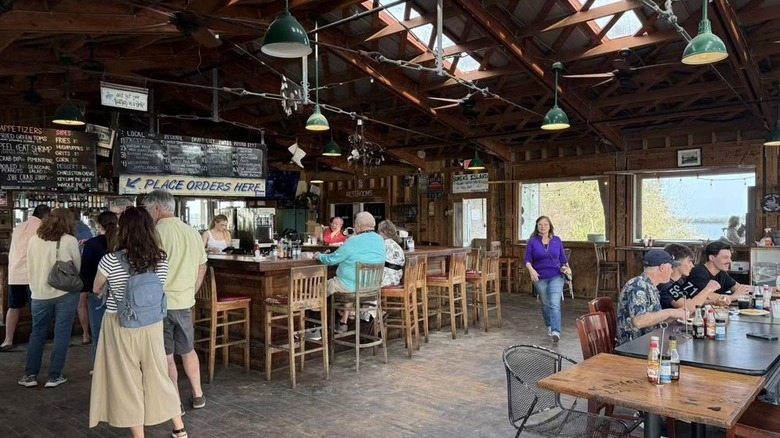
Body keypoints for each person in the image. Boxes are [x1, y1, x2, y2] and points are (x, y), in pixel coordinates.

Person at [89, 207, 187, 438]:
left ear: (123, 230)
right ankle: (179, 428)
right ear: (150, 230)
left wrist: (108, 288)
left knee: (127, 380)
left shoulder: (110, 260)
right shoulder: (161, 259)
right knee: (158, 375)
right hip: (152, 324)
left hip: (119, 324)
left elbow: (96, 288)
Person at [143, 190, 207, 412]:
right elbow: (202, 267)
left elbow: (147, 270)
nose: (148, 214)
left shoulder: (153, 234)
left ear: (157, 209)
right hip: (185, 302)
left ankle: (175, 403)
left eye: (148, 210)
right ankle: (198, 395)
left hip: (161, 304)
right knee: (188, 350)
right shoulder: (192, 232)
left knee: (167, 355)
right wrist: (191, 291)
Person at [18, 208, 81, 388]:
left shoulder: (33, 240)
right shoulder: (69, 240)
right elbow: (77, 267)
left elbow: (29, 265)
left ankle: (30, 375)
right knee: (62, 334)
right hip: (65, 294)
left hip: (39, 293)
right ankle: (54, 376)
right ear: (69, 222)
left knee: (37, 333)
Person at [317, 212, 385, 332]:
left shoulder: (353, 240)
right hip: (372, 288)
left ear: (358, 226)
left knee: (316, 290)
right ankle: (343, 321)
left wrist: (319, 256)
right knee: (347, 289)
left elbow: (331, 260)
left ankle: (315, 330)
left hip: (350, 286)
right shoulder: (380, 240)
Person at [2, 204, 50, 351]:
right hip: (33, 274)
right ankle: (38, 341)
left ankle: (7, 340)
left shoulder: (19, 227)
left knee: (13, 306)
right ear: (46, 216)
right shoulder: (42, 228)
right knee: (37, 309)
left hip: (15, 273)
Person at [616, 249, 688, 346]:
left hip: (648, 342)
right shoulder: (637, 286)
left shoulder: (650, 286)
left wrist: (674, 316)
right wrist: (670, 312)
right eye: (671, 267)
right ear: (662, 267)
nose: (672, 271)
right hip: (634, 346)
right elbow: (639, 321)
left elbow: (652, 318)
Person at [79, 211, 118, 365]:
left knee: (98, 332)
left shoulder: (92, 243)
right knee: (117, 332)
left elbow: (86, 271)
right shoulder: (122, 242)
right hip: (119, 293)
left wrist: (90, 289)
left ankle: (98, 366)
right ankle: (117, 366)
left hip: (98, 292)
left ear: (99, 226)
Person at [523, 216, 569, 343]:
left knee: (554, 303)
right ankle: (549, 325)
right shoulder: (532, 242)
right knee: (545, 303)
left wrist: (567, 271)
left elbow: (563, 259)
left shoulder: (557, 240)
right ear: (537, 227)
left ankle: (556, 331)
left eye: (545, 224)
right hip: (539, 277)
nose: (542, 227)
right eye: (540, 225)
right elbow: (527, 259)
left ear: (550, 227)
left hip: (556, 276)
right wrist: (531, 270)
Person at [658, 243, 721, 311]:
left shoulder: (679, 280)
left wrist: (713, 302)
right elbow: (688, 308)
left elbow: (694, 299)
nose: (692, 266)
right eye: (689, 261)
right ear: (676, 262)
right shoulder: (665, 285)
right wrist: (708, 289)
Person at [687, 241, 751, 300]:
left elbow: (737, 287)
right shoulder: (698, 272)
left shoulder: (721, 272)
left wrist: (751, 290)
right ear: (712, 258)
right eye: (725, 257)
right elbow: (706, 295)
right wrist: (732, 297)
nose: (730, 261)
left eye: (730, 257)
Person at [377, 220, 405, 287]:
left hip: (386, 280)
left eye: (378, 231)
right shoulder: (396, 245)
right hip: (396, 278)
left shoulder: (383, 244)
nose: (377, 234)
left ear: (384, 232)